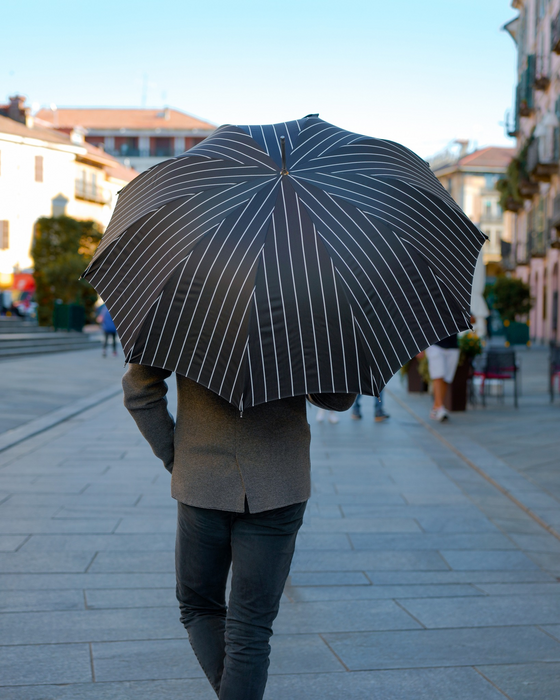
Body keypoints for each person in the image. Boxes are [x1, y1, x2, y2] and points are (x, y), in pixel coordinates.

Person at [122, 364, 355, 700]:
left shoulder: (184, 311)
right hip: (279, 479)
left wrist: (176, 456)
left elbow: (138, 389)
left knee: (200, 606)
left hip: (203, 478)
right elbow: (337, 400)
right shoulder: (305, 316)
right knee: (252, 627)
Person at [421, 333, 460, 422]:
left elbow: (471, 320)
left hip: (453, 345)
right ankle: (439, 407)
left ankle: (436, 408)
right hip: (435, 344)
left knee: (446, 379)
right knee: (438, 376)